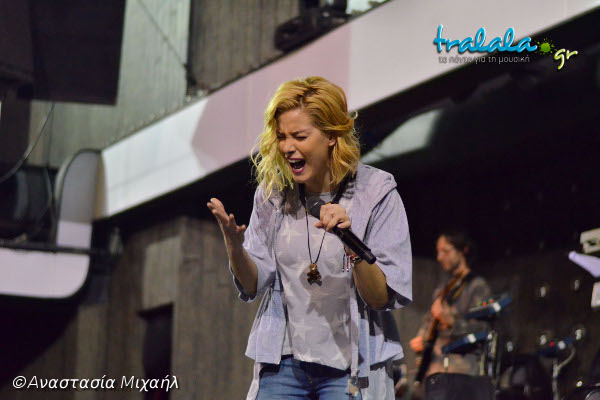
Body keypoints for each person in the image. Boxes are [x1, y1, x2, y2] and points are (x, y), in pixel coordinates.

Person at [206, 76, 412, 400]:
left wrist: (351, 242)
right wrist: (234, 247)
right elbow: (253, 283)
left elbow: (379, 298)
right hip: (284, 362)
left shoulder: (376, 192)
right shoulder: (273, 194)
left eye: (299, 136)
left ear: (331, 135)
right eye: (282, 136)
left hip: (350, 367)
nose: (287, 147)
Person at [409, 231, 492, 386]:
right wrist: (422, 339)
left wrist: (452, 321)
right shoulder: (443, 289)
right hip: (435, 371)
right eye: (438, 252)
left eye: (445, 251)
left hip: (460, 373)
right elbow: (429, 322)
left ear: (463, 251)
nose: (439, 257)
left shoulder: (477, 286)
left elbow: (482, 329)